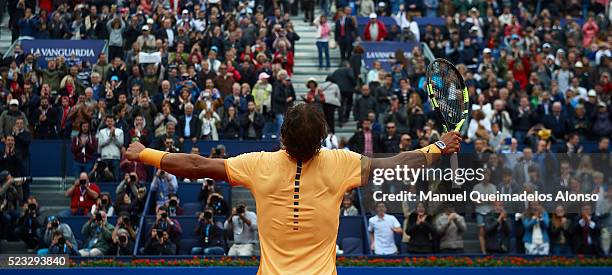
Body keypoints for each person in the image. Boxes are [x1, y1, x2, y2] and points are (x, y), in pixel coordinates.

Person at [125, 103, 461, 274]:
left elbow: (196, 166)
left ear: (282, 137)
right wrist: (438, 148)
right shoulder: (342, 162)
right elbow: (399, 164)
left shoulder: (259, 164)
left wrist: (146, 153)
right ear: (321, 140)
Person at [97, 115, 124, 180]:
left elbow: (121, 144)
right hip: (105, 157)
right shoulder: (102, 131)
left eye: (111, 121)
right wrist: (110, 137)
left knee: (116, 177)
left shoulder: (120, 131)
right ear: (105, 122)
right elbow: (100, 144)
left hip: (115, 157)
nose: (110, 123)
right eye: (108, 121)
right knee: (103, 177)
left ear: (114, 122)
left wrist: (114, 137)